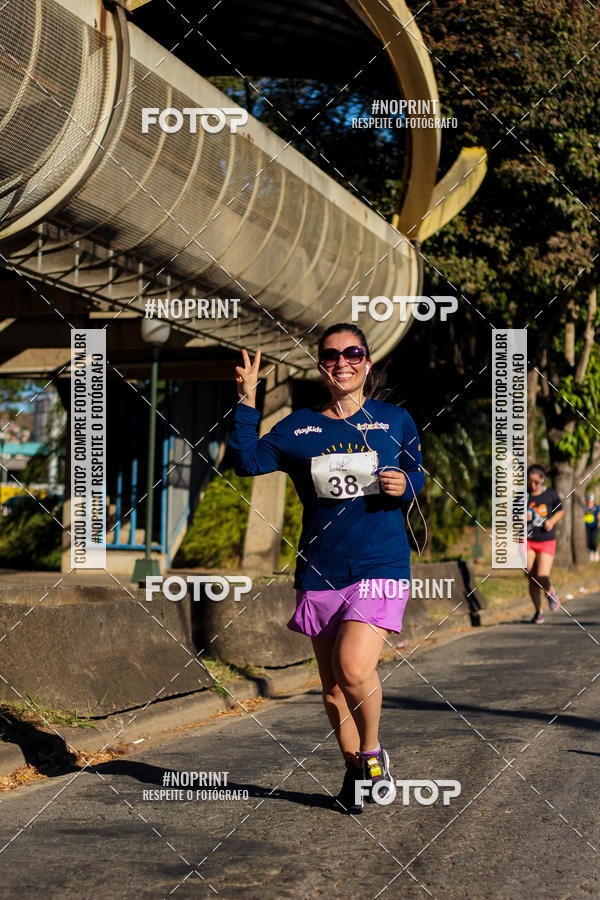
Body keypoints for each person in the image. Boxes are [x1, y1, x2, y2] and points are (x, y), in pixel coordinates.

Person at [229, 323, 424, 813]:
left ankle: (373, 754)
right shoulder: (299, 428)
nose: (342, 363)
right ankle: (354, 773)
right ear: (321, 367)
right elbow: (246, 462)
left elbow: (417, 471)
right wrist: (248, 399)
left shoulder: (394, 420)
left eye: (352, 353)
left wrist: (407, 484)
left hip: (380, 564)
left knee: (354, 667)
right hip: (320, 570)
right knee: (334, 689)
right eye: (332, 356)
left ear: (367, 363)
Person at [526, 464, 564, 623]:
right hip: (528, 539)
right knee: (531, 576)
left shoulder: (550, 494)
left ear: (542, 479)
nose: (532, 485)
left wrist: (552, 521)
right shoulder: (523, 495)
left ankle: (549, 590)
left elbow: (560, 510)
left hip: (546, 540)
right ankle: (538, 611)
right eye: (530, 482)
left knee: (542, 576)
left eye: (536, 482)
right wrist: (522, 517)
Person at [584, 493, 600, 562]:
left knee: (593, 540)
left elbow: (599, 516)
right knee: (588, 541)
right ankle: (590, 553)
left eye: (591, 501)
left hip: (595, 526)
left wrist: (599, 522)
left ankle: (595, 552)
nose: (589, 503)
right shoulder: (584, 508)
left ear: (593, 501)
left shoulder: (596, 508)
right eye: (588, 501)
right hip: (586, 527)